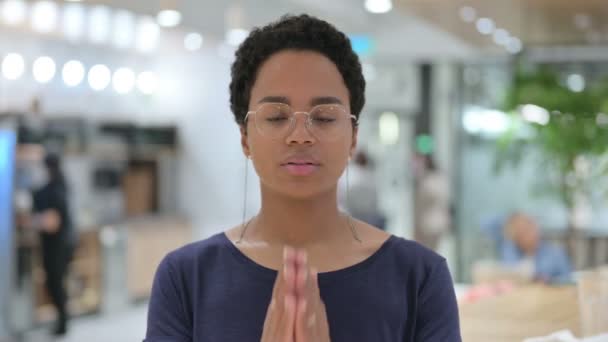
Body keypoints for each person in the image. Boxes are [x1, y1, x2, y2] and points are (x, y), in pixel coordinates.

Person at [145, 14, 461, 341]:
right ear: (245, 138)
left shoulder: (419, 277)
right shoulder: (186, 278)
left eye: (323, 117)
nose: (300, 136)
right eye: (277, 116)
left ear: (353, 137)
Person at [25, 152, 75, 336]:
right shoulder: (60, 186)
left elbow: (53, 222)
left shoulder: (54, 189)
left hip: (57, 246)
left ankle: (62, 324)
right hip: (62, 244)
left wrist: (32, 221)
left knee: (55, 283)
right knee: (57, 283)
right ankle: (62, 322)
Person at [501, 212, 572, 284]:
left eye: (529, 228)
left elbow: (568, 279)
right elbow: (507, 274)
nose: (529, 235)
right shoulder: (510, 250)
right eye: (521, 233)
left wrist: (550, 281)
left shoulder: (555, 253)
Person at [413, 153, 451, 251]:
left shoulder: (426, 182)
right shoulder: (442, 180)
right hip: (440, 222)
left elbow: (420, 207)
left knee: (427, 251)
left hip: (428, 223)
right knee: (434, 250)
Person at [344, 151, 386, 230]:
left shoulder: (350, 176)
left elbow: (345, 200)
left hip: (353, 218)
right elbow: (374, 202)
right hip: (369, 220)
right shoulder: (371, 178)